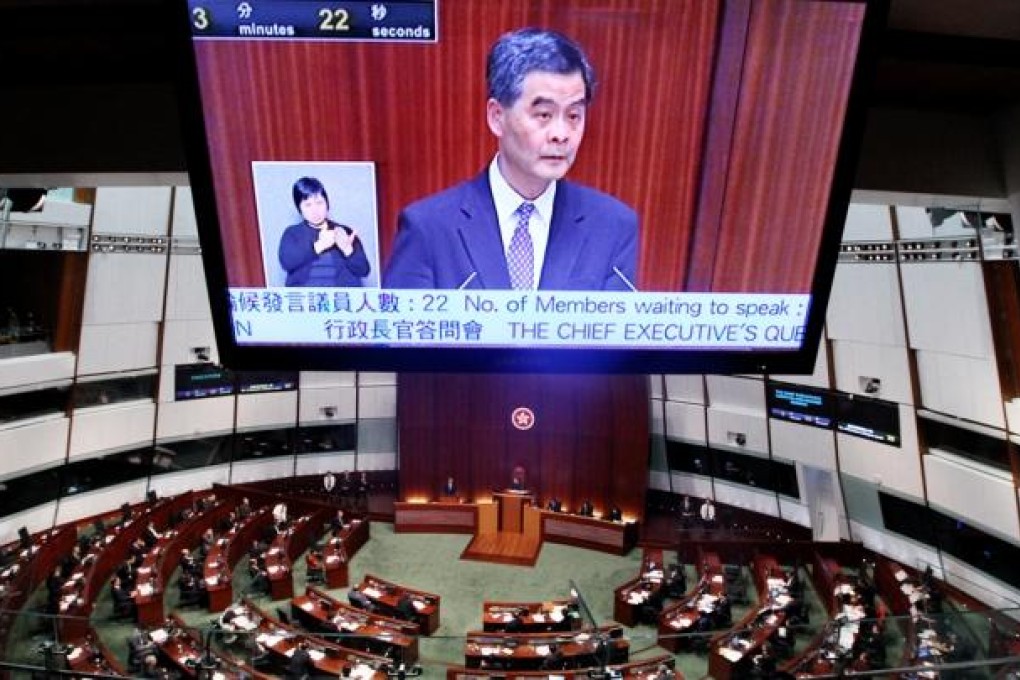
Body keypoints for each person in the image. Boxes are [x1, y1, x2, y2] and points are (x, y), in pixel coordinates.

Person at [383, 28, 638, 291]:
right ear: (497, 117)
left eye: (574, 116)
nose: (561, 135)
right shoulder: (429, 228)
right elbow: (403, 329)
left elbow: (616, 329)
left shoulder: (613, 226)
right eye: (543, 115)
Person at [278, 177, 370, 287]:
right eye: (308, 205)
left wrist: (348, 250)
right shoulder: (292, 233)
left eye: (319, 203)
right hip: (305, 300)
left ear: (327, 204)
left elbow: (364, 271)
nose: (315, 210)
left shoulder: (344, 231)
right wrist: (318, 246)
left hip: (340, 299)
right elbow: (287, 263)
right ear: (300, 209)